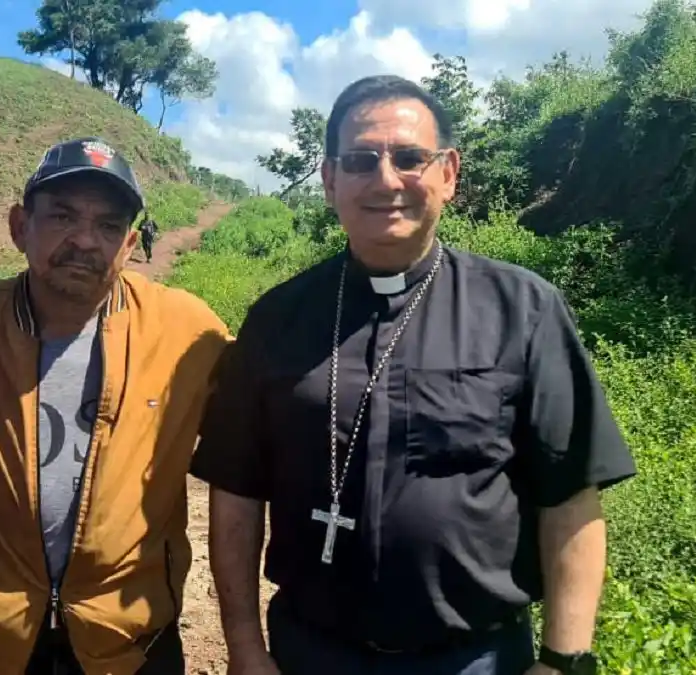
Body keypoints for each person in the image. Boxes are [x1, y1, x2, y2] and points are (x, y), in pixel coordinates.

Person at [191, 75, 638, 675]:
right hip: (310, 652)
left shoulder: (524, 310)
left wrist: (563, 660)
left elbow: (571, 491)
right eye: (359, 160)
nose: (385, 180)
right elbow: (237, 493)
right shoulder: (277, 318)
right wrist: (244, 646)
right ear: (328, 181)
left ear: (448, 173)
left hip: (476, 658)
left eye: (409, 158)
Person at [0, 137, 232, 675]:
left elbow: (258, 441)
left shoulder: (188, 332)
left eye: (109, 226)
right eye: (62, 216)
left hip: (132, 641)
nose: (85, 240)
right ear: (20, 226)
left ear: (130, 244)